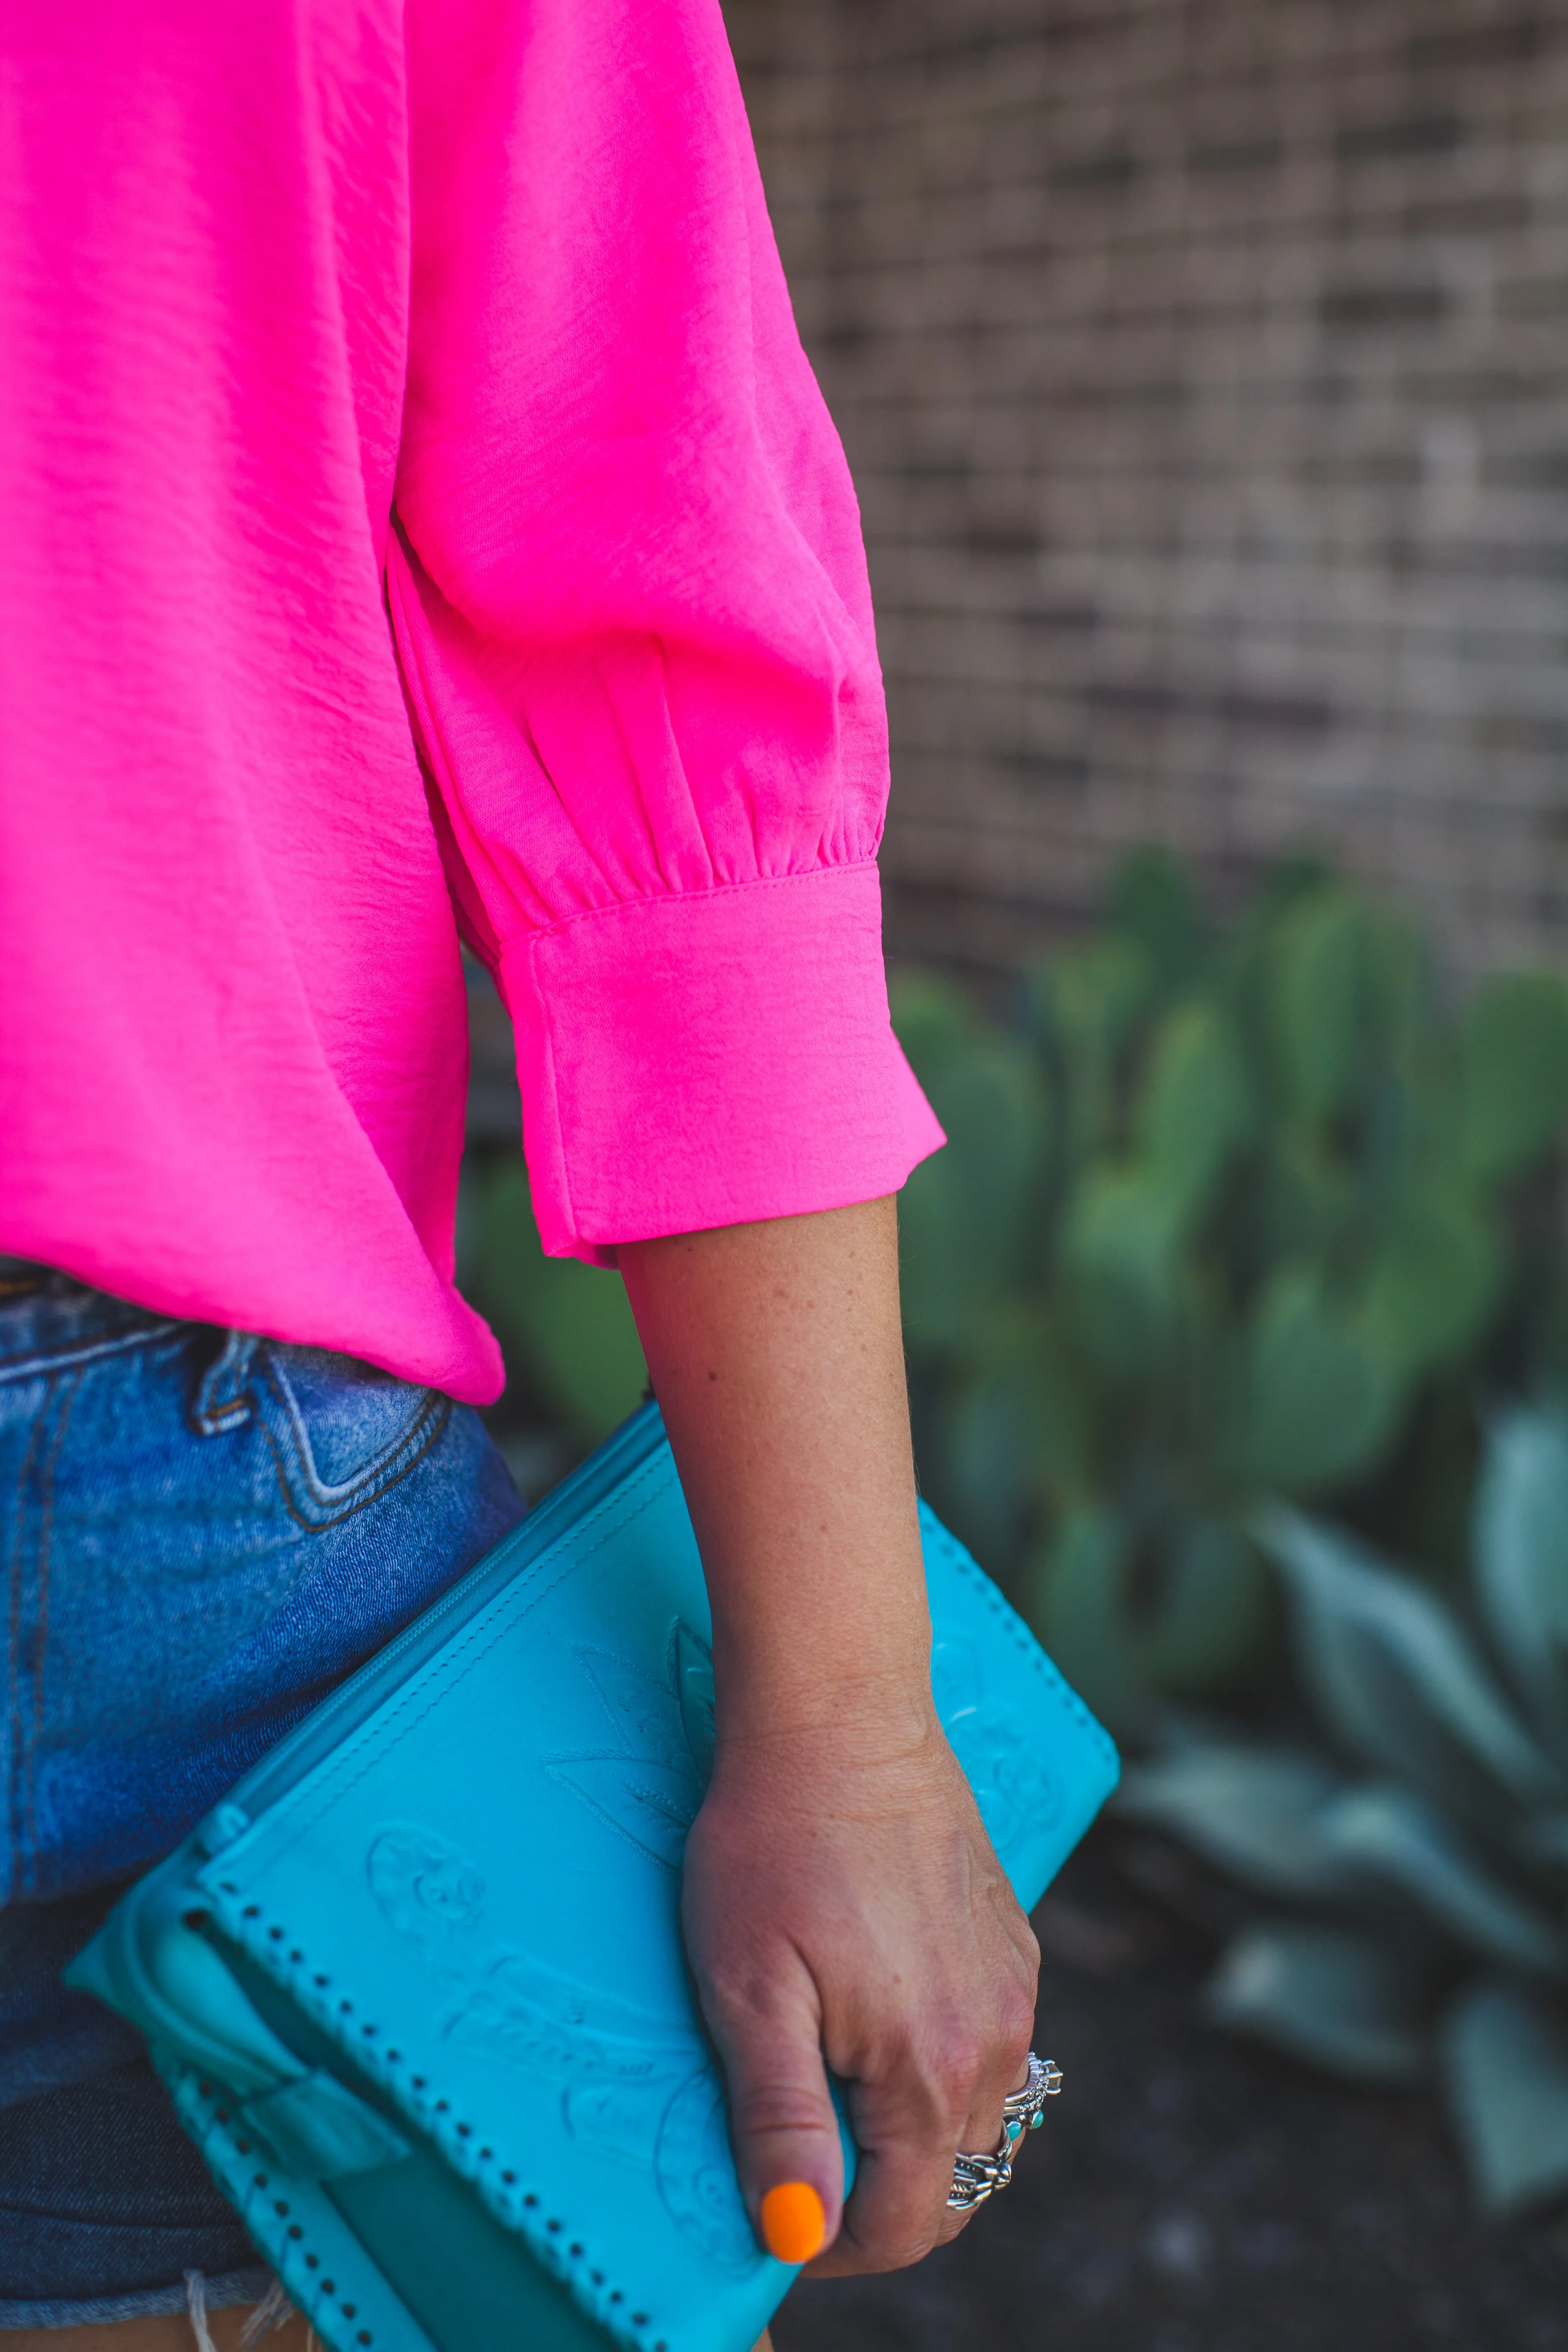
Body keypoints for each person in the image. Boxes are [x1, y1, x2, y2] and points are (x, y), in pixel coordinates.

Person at [0, 1, 1041, 2344]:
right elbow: (658, 667)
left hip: (131, 1518)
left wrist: (851, 1715)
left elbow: (656, 706)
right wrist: (845, 1715)